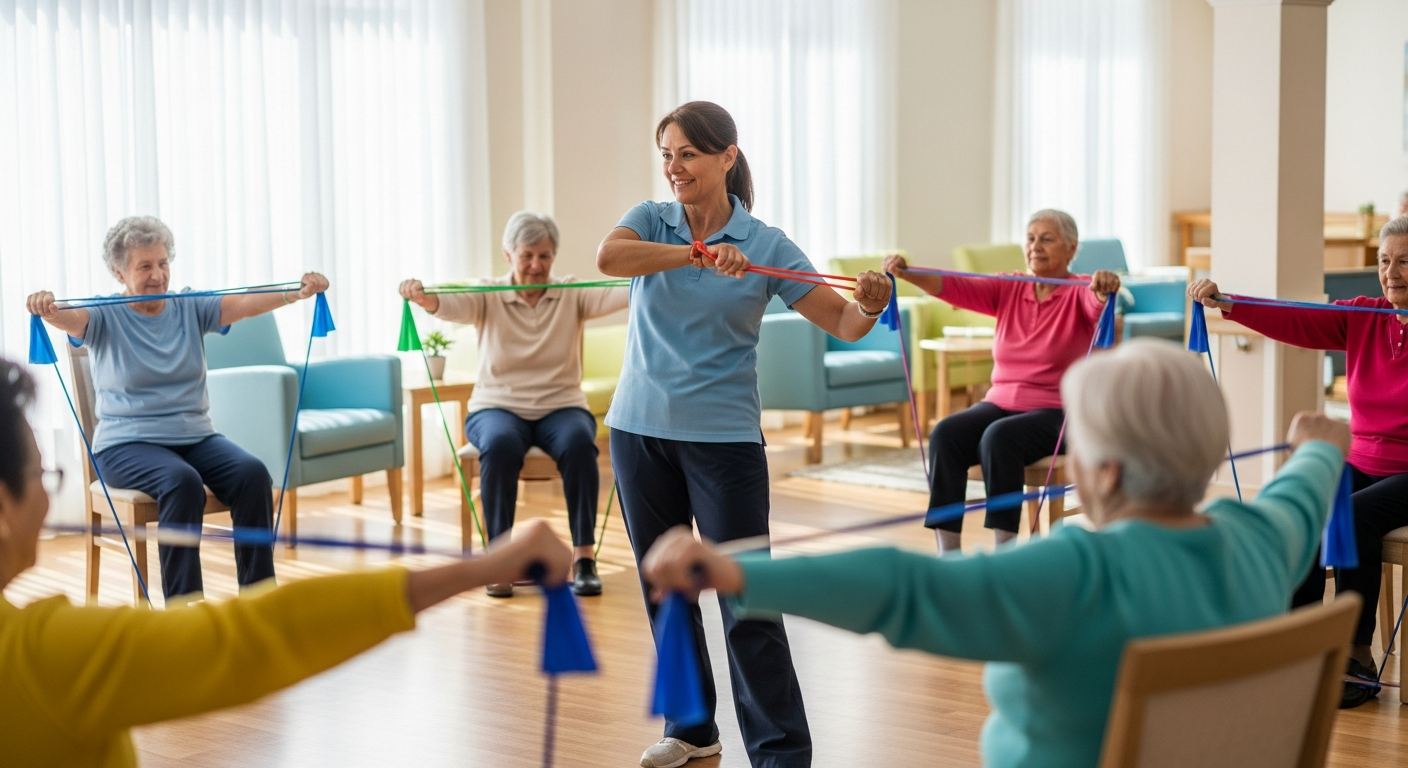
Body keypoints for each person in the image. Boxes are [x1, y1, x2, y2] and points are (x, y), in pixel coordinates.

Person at [642, 339, 1350, 768]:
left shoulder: (1079, 575)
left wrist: (732, 569)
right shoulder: (1255, 540)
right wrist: (1319, 446)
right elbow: (1301, 492)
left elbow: (907, 589)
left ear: (1102, 473)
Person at [0, 356, 574, 767]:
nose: (50, 496)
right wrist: (481, 567)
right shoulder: (41, 658)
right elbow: (250, 642)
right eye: (43, 475)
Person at [596, 101, 892, 768]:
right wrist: (696, 253)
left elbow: (844, 324)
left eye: (688, 155)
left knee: (746, 594)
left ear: (727, 155)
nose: (674, 168)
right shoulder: (651, 221)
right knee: (665, 589)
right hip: (639, 430)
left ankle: (781, 752)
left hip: (724, 440)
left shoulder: (766, 245)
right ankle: (692, 729)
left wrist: (871, 304)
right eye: (667, 155)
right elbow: (610, 257)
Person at [26, 216, 329, 605]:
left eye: (163, 262)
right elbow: (70, 317)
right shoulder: (103, 315)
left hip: (196, 436)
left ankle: (259, 601)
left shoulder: (188, 306)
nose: (158, 275)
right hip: (124, 446)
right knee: (182, 482)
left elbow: (242, 303)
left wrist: (294, 292)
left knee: (254, 475)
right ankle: (186, 610)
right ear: (119, 272)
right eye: (145, 266)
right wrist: (48, 309)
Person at [1188, 214, 1408, 707]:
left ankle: (1355, 655)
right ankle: (1299, 640)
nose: (1392, 272)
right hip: (1364, 458)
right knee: (1305, 500)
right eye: (1384, 261)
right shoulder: (1365, 315)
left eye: (1405, 261)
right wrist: (1229, 304)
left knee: (1355, 514)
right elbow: (1297, 318)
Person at [399, 211, 629, 598]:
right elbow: (449, 305)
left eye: (544, 256)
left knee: (578, 444)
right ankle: (499, 560)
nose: (536, 265)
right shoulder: (489, 294)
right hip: (496, 407)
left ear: (554, 256)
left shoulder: (571, 292)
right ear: (509, 255)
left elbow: (620, 292)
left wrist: (659, 271)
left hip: (561, 406)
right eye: (527, 256)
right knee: (501, 445)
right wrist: (423, 297)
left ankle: (584, 558)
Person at [883, 210, 1120, 554]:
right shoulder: (1011, 287)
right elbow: (955, 285)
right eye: (1030, 238)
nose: (1035, 246)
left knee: (1000, 438)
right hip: (1001, 403)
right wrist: (908, 273)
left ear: (1071, 248)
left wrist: (1102, 289)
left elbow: (1096, 304)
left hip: (1061, 413)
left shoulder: (1078, 290)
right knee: (946, 434)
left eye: (1047, 238)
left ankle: (1005, 554)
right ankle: (949, 556)